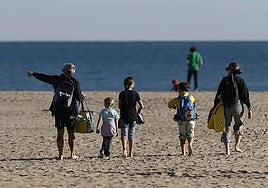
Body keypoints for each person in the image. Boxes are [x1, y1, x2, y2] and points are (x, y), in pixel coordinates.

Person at [27, 63, 82, 160]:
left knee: (60, 133)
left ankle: (60, 155)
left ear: (63, 70)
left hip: (58, 109)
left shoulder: (56, 79)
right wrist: (82, 97)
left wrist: (34, 74)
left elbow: (45, 78)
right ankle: (72, 154)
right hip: (71, 110)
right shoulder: (75, 82)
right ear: (73, 72)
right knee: (71, 133)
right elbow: (78, 98)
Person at [214, 62, 252, 155]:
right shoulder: (240, 80)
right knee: (239, 124)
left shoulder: (224, 80)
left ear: (230, 70)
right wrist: (249, 107)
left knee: (227, 126)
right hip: (237, 105)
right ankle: (237, 146)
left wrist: (215, 106)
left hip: (226, 105)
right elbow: (245, 95)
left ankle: (227, 150)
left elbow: (218, 94)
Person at [118, 76, 144, 158]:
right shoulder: (135, 94)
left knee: (123, 133)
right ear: (131, 84)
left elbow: (119, 106)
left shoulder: (122, 94)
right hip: (133, 116)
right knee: (131, 134)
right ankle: (130, 153)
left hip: (124, 115)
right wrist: (139, 110)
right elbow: (142, 106)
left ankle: (124, 149)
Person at [168, 82, 196, 156]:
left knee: (182, 135)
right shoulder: (191, 97)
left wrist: (175, 107)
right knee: (191, 134)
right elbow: (194, 105)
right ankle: (190, 144)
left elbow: (169, 104)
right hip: (191, 119)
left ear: (179, 89)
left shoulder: (178, 99)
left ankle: (183, 152)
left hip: (181, 119)